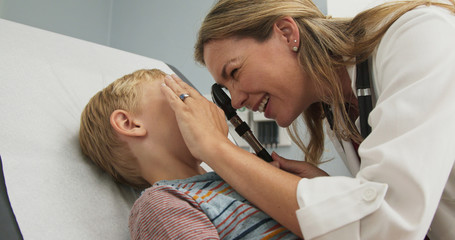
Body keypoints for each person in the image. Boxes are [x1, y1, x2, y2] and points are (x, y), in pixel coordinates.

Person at [159, 0, 455, 239]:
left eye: (234, 72)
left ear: (287, 33)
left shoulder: (420, 35)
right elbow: (389, 200)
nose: (236, 101)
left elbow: (388, 224)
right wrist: (328, 191)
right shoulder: (337, 107)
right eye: (226, 90)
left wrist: (216, 148)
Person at [79, 68, 301, 239]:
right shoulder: (160, 205)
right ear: (129, 123)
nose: (201, 105)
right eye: (181, 96)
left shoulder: (237, 178)